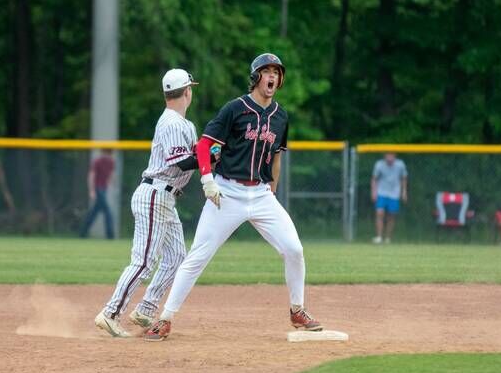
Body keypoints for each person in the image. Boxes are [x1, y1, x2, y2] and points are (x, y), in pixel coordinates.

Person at [145, 53, 322, 342]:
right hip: (227, 193)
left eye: (276, 72)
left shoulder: (280, 116)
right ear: (256, 77)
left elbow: (276, 157)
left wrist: (271, 192)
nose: (272, 77)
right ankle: (164, 319)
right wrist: (208, 181)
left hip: (261, 194)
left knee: (294, 249)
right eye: (266, 72)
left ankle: (297, 309)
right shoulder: (234, 109)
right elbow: (204, 147)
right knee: (197, 257)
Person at [94, 68, 204, 337]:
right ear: (187, 92)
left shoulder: (183, 124)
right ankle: (110, 313)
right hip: (155, 194)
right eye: (191, 88)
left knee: (177, 256)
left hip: (166, 198)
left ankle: (145, 309)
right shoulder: (172, 123)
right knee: (144, 261)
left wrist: (208, 151)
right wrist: (211, 156)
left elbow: (194, 154)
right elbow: (182, 162)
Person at [370, 153, 408, 244]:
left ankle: (387, 238)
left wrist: (404, 192)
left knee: (391, 216)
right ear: (384, 156)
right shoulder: (379, 164)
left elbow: (404, 178)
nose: (389, 158)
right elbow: (374, 179)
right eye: (388, 155)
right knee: (379, 213)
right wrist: (373, 192)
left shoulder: (400, 164)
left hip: (394, 193)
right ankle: (379, 237)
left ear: (395, 156)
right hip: (381, 192)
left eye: (391, 155)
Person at [80, 149, 115, 239]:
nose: (107, 155)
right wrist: (92, 191)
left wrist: (109, 183)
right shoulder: (97, 161)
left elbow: (110, 174)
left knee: (93, 213)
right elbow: (91, 176)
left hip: (103, 189)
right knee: (108, 212)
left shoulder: (111, 162)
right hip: (98, 189)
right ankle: (110, 235)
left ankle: (82, 233)